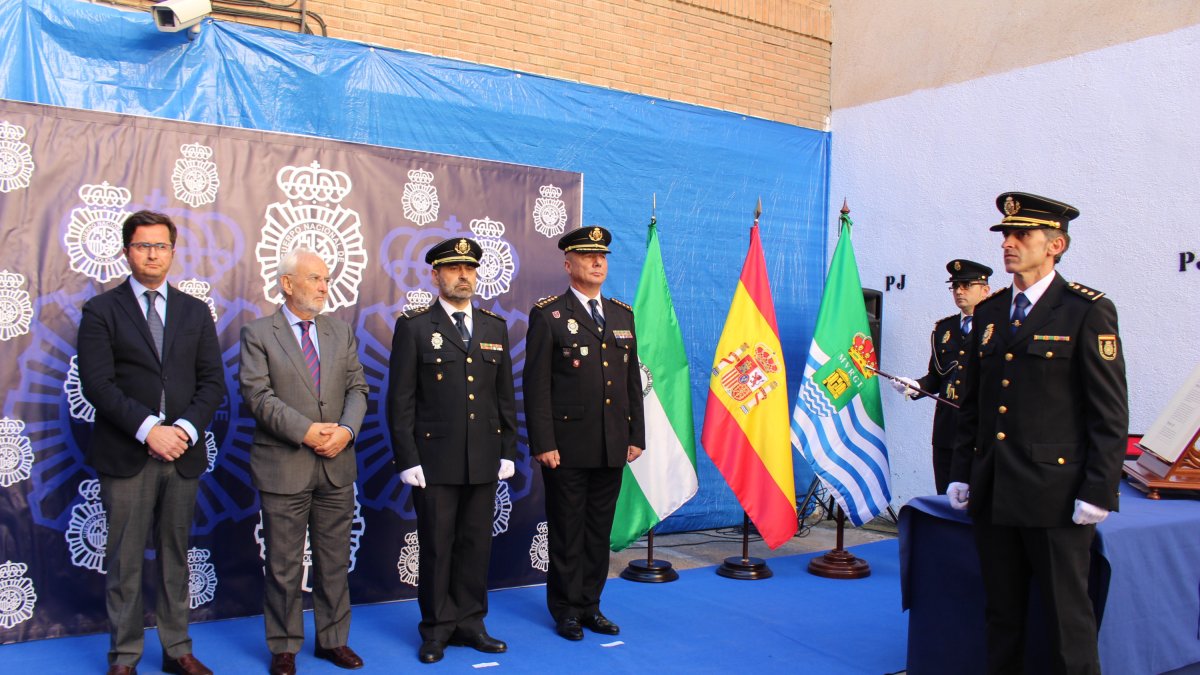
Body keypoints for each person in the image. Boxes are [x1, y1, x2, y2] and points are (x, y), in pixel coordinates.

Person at [949, 192, 1127, 674]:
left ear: (1055, 245)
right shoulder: (989, 313)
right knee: (1002, 613)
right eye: (1005, 235)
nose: (1008, 243)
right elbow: (974, 405)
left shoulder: (1086, 311)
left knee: (1067, 617)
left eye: (1021, 235)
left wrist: (1099, 489)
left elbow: (1108, 413)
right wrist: (962, 470)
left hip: (1055, 495)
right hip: (995, 489)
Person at [77, 210, 226, 675]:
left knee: (174, 556)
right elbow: (97, 385)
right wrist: (149, 430)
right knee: (124, 562)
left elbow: (212, 382)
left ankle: (177, 649)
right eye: (143, 246)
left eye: (160, 246)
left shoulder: (194, 311)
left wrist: (181, 431)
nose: (152, 254)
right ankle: (124, 657)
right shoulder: (101, 310)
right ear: (127, 252)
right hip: (127, 454)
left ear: (173, 252)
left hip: (182, 455)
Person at [387, 237, 518, 664]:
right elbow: (400, 400)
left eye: (470, 269)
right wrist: (407, 458)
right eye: (454, 268)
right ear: (435, 275)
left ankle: (471, 623)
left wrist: (508, 451)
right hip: (434, 462)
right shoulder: (415, 327)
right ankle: (437, 629)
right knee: (438, 546)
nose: (464, 275)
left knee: (475, 545)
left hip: (483, 458)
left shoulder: (494, 328)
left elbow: (504, 398)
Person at [239, 248, 369, 675]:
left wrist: (346, 432)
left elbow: (357, 389)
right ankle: (284, 646)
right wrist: (307, 432)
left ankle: (334, 640)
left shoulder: (340, 332)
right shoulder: (258, 333)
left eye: (326, 279)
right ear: (287, 283)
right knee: (283, 565)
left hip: (336, 464)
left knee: (334, 561)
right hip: (284, 465)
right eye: (314, 278)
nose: (322, 287)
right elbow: (258, 396)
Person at [522, 226, 645, 641]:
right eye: (588, 256)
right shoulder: (550, 314)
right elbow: (536, 385)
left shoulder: (622, 315)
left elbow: (632, 383)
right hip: (566, 449)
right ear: (568, 263)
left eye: (603, 257)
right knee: (568, 531)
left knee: (597, 533)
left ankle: (591, 606)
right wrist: (543, 443)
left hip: (612, 445)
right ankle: (566, 610)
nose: (597, 262)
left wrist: (636, 436)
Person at [893, 258, 992, 494]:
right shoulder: (944, 330)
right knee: (946, 495)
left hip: (981, 426)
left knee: (979, 498)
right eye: (955, 286)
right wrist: (915, 386)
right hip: (948, 428)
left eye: (966, 285)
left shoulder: (995, 328)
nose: (959, 291)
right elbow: (937, 377)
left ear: (985, 289)